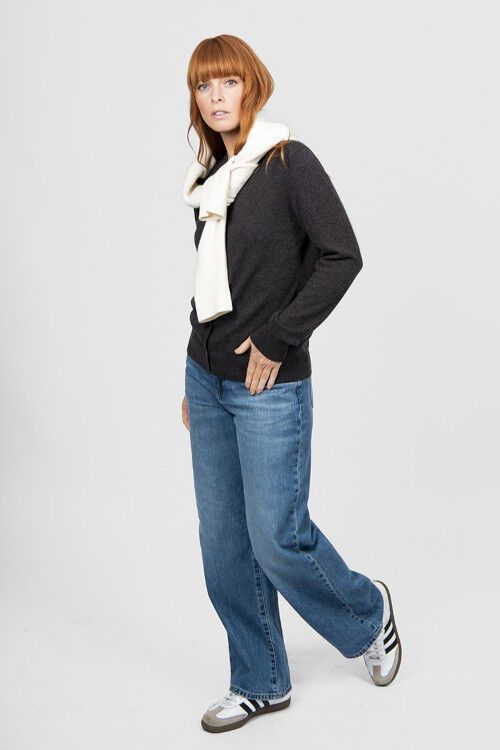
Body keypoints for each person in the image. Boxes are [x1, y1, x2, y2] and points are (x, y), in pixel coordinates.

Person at [181, 34, 402, 734]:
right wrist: (193, 371)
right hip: (208, 381)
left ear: (252, 86)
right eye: (203, 86)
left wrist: (279, 337)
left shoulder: (287, 161)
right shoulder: (211, 178)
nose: (216, 97)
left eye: (227, 82)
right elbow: (210, 286)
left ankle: (368, 613)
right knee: (224, 547)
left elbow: (342, 255)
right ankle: (260, 681)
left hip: (268, 387)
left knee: (277, 538)